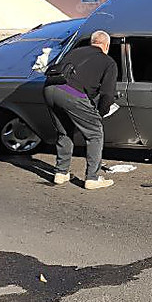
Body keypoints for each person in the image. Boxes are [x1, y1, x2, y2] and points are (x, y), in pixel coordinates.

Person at [42, 30, 118, 189]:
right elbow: (107, 94)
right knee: (95, 133)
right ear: (106, 45)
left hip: (49, 89)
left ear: (92, 42)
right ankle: (92, 178)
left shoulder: (75, 52)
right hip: (72, 93)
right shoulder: (108, 62)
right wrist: (100, 113)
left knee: (64, 131)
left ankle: (61, 173)